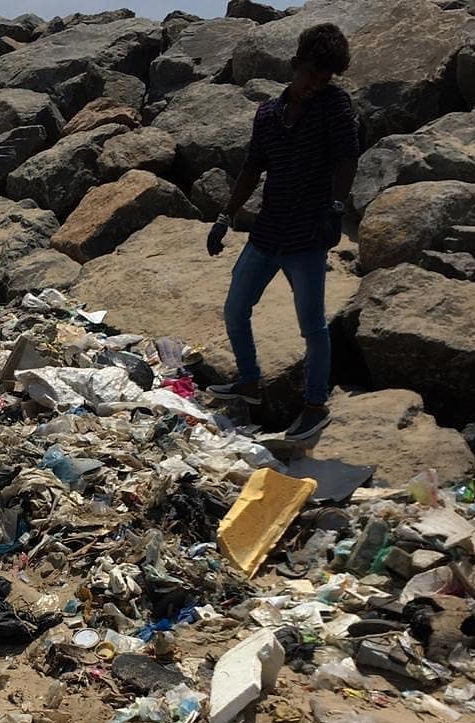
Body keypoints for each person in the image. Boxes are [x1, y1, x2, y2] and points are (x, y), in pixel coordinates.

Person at [206, 22, 359, 442]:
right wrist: (224, 216)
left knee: (312, 326)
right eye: (310, 74)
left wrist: (336, 207)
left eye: (323, 78)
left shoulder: (334, 106)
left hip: (307, 237)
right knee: (236, 309)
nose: (314, 85)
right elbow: (252, 168)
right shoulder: (268, 115)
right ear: (294, 66)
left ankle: (314, 406)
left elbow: (348, 159)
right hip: (267, 232)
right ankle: (250, 382)